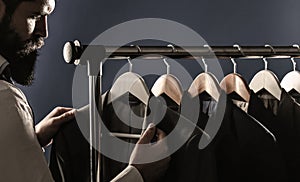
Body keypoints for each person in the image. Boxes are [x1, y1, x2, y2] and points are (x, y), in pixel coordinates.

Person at [0, 0, 170, 181]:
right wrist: (137, 174)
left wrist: (27, 142)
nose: (44, 31)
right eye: (35, 16)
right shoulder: (6, 102)